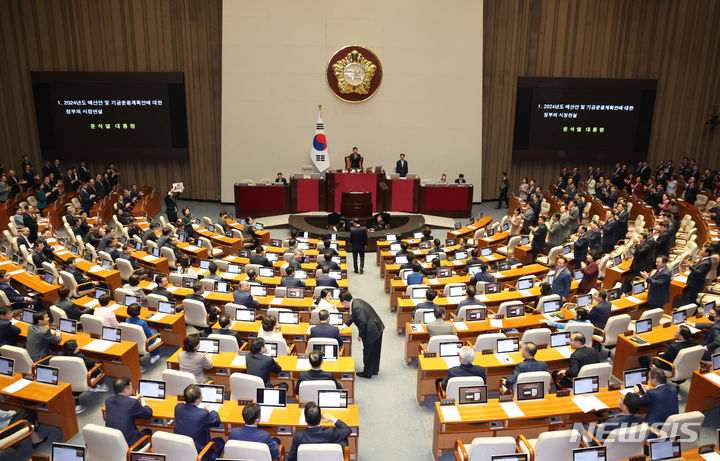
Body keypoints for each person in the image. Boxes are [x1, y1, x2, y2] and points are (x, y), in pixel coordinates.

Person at [174, 384, 225, 461]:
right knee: (220, 441)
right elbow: (217, 421)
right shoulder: (203, 414)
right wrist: (210, 410)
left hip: (181, 448)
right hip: (199, 452)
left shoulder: (178, 407)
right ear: (198, 400)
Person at [286, 401, 351, 461]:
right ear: (320, 418)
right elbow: (347, 430)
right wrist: (332, 419)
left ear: (305, 419)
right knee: (343, 441)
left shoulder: (298, 436)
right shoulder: (330, 432)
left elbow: (291, 458)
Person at [341, 291, 384, 378]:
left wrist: (360, 335)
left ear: (345, 302)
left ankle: (367, 373)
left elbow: (362, 323)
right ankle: (374, 369)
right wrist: (344, 326)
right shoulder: (357, 301)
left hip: (371, 331)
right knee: (375, 351)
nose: (342, 305)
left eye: (342, 303)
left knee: (368, 352)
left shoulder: (356, 307)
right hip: (378, 327)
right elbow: (354, 316)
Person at [104, 376, 153, 446]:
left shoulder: (108, 401)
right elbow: (148, 413)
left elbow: (123, 405)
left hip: (113, 442)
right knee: (148, 431)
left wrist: (133, 399)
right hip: (129, 445)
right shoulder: (132, 403)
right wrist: (143, 402)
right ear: (126, 390)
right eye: (131, 385)